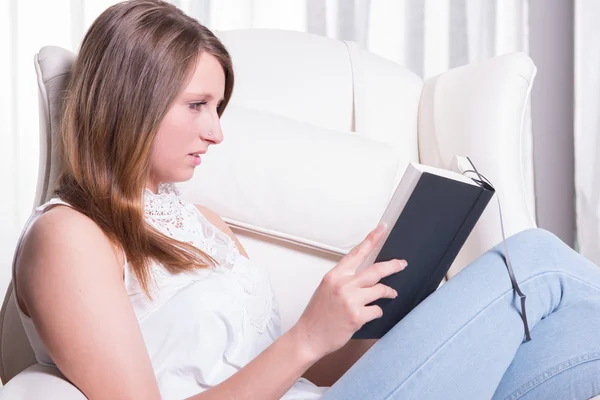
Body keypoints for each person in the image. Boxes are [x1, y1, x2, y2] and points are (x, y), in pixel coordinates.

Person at [11, 1, 600, 399]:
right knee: (538, 264)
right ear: (126, 102)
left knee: (565, 346)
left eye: (219, 108)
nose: (216, 132)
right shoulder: (70, 236)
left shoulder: (205, 224)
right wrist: (306, 336)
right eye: (197, 105)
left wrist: (361, 321)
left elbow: (298, 369)